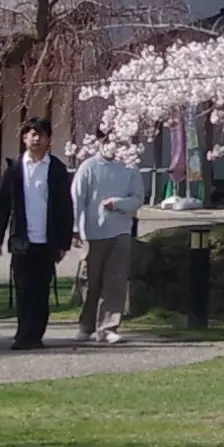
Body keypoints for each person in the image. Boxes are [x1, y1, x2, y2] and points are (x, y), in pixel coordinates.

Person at [0, 119, 80, 348]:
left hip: (47, 240)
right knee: (23, 288)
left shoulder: (55, 169)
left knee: (41, 289)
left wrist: (63, 243)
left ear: (48, 140)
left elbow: (64, 207)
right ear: (24, 138)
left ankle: (35, 334)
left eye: (41, 135)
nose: (36, 139)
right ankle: (22, 333)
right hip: (21, 239)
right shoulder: (15, 167)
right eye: (31, 134)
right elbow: (3, 204)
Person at [70, 124, 146, 345]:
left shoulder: (130, 167)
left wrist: (118, 203)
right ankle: (86, 325)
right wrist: (75, 229)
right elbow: (77, 200)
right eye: (110, 140)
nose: (115, 146)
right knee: (90, 280)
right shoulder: (89, 167)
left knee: (115, 281)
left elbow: (137, 198)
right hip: (92, 233)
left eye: (120, 141)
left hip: (120, 230)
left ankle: (108, 327)